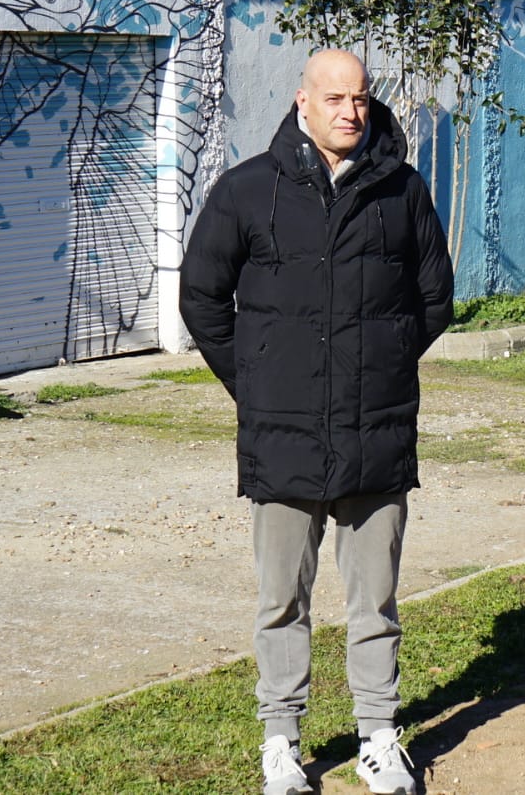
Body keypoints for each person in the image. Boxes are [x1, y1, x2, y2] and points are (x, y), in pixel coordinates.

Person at [179, 49, 454, 795]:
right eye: (333, 97)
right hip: (283, 434)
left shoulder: (402, 192)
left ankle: (377, 735)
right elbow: (202, 298)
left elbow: (434, 301)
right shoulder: (246, 192)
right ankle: (281, 742)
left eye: (360, 98)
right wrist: (257, 380)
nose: (348, 111)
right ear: (301, 100)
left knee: (374, 600)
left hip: (376, 432)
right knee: (281, 600)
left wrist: (384, 366)